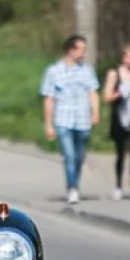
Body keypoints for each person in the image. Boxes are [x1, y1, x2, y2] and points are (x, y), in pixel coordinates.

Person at [39, 34, 100, 204]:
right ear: (70, 50)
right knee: (69, 156)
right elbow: (49, 99)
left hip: (82, 119)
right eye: (81, 49)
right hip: (63, 119)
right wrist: (48, 124)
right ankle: (72, 188)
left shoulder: (87, 71)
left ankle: (74, 183)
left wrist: (95, 112)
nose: (84, 53)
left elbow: (92, 92)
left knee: (79, 156)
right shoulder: (53, 71)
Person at [102, 43, 130, 202]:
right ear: (123, 57)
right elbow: (106, 97)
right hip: (119, 118)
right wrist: (119, 94)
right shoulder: (114, 73)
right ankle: (118, 186)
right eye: (129, 57)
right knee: (120, 153)